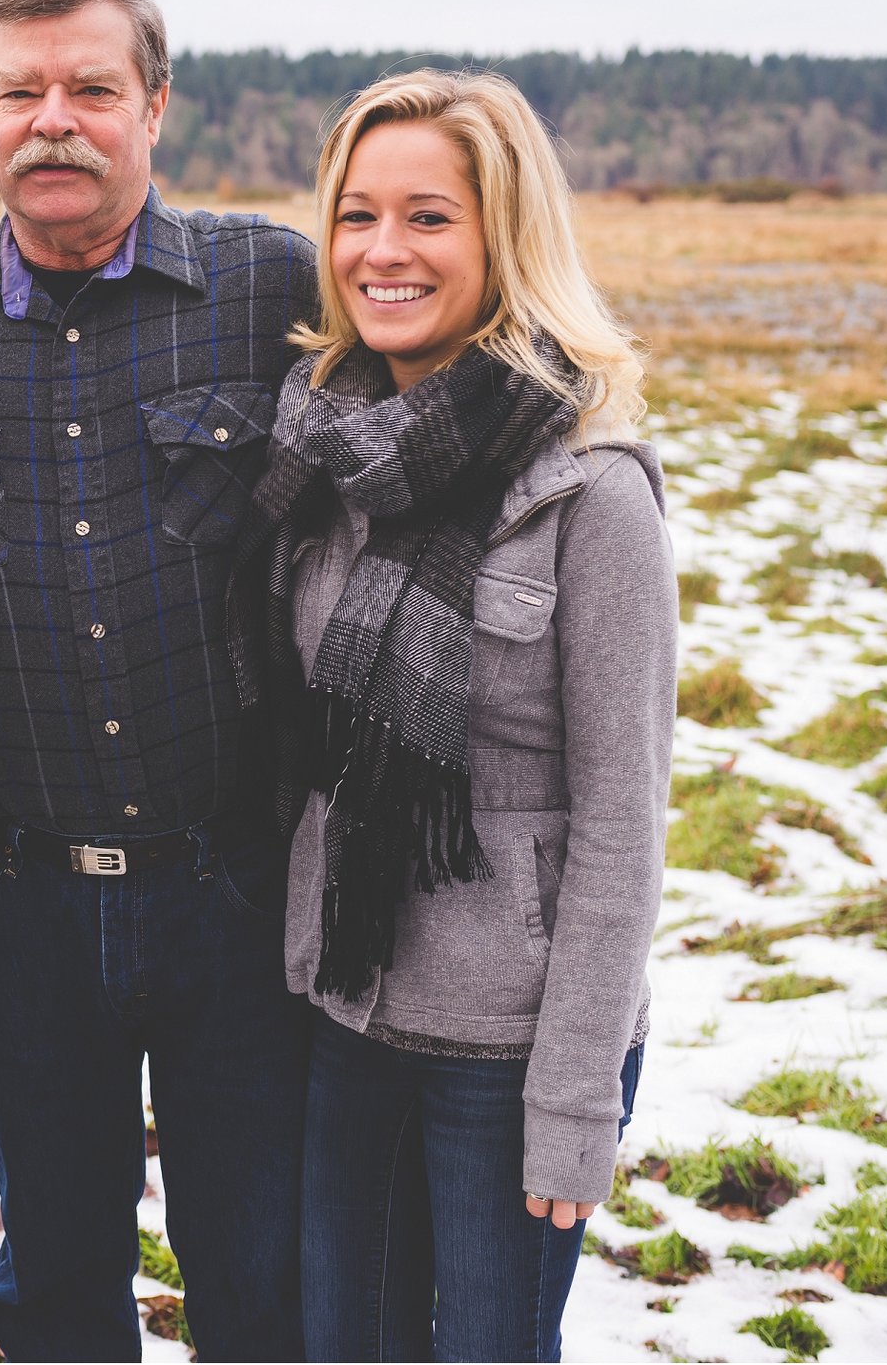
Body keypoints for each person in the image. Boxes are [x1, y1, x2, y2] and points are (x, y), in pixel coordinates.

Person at [0, 0, 318, 1363]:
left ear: (156, 102)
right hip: (20, 892)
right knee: (57, 1273)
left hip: (237, 879)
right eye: (19, 91)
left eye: (91, 87)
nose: (55, 119)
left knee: (261, 1265)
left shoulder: (270, 287)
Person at [231, 72, 673, 1364]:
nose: (383, 251)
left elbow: (621, 825)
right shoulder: (325, 459)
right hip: (347, 1012)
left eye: (429, 217)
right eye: (357, 215)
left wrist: (576, 1098)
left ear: (505, 235)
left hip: (509, 1055)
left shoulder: (590, 494)